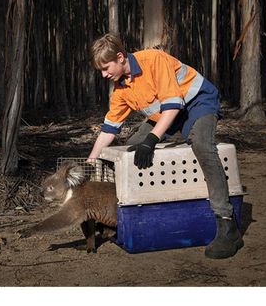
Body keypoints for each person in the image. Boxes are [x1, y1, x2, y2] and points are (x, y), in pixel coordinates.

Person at [85, 33, 243, 259]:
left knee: (202, 145)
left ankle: (227, 224)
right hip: (168, 113)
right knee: (131, 148)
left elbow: (173, 105)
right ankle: (132, 213)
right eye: (100, 70)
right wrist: (91, 158)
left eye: (106, 67)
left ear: (120, 57)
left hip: (197, 102)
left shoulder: (153, 60)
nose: (104, 74)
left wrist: (153, 140)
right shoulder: (120, 90)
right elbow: (110, 129)